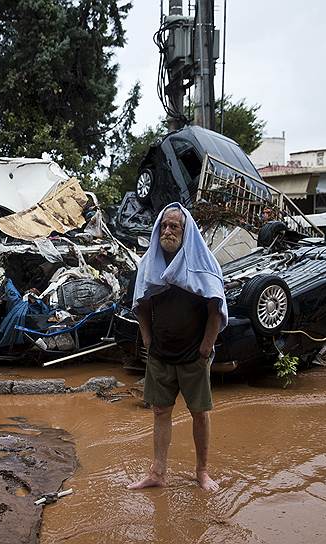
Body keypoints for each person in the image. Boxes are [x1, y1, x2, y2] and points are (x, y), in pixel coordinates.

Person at [128, 202, 228, 492]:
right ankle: (157, 473)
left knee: (199, 413)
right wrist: (147, 339)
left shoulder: (204, 262)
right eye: (164, 226)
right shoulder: (150, 262)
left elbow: (215, 308)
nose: (168, 231)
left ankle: (202, 472)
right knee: (160, 411)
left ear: (186, 232)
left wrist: (206, 347)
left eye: (175, 226)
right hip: (160, 353)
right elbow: (142, 303)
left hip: (193, 355)